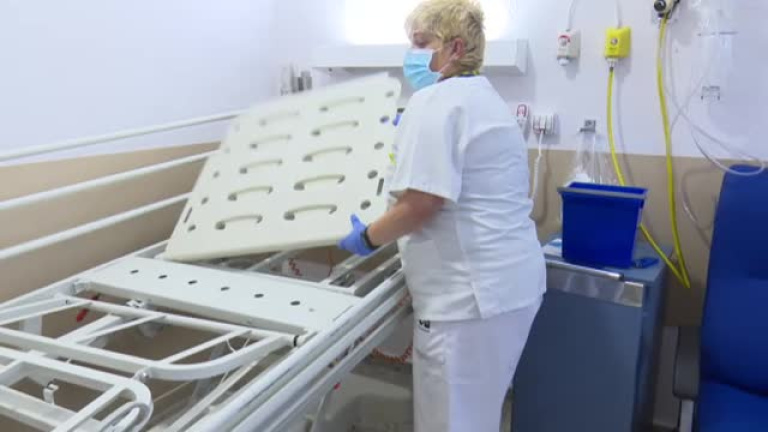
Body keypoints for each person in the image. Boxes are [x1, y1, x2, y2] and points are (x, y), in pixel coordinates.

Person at [338, 0, 546, 430]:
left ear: (455, 48)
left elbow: (421, 203)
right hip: (508, 291)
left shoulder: (436, 101)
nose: (411, 54)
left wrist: (368, 238)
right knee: (476, 417)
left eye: (421, 43)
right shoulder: (482, 98)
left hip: (468, 303)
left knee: (450, 423)